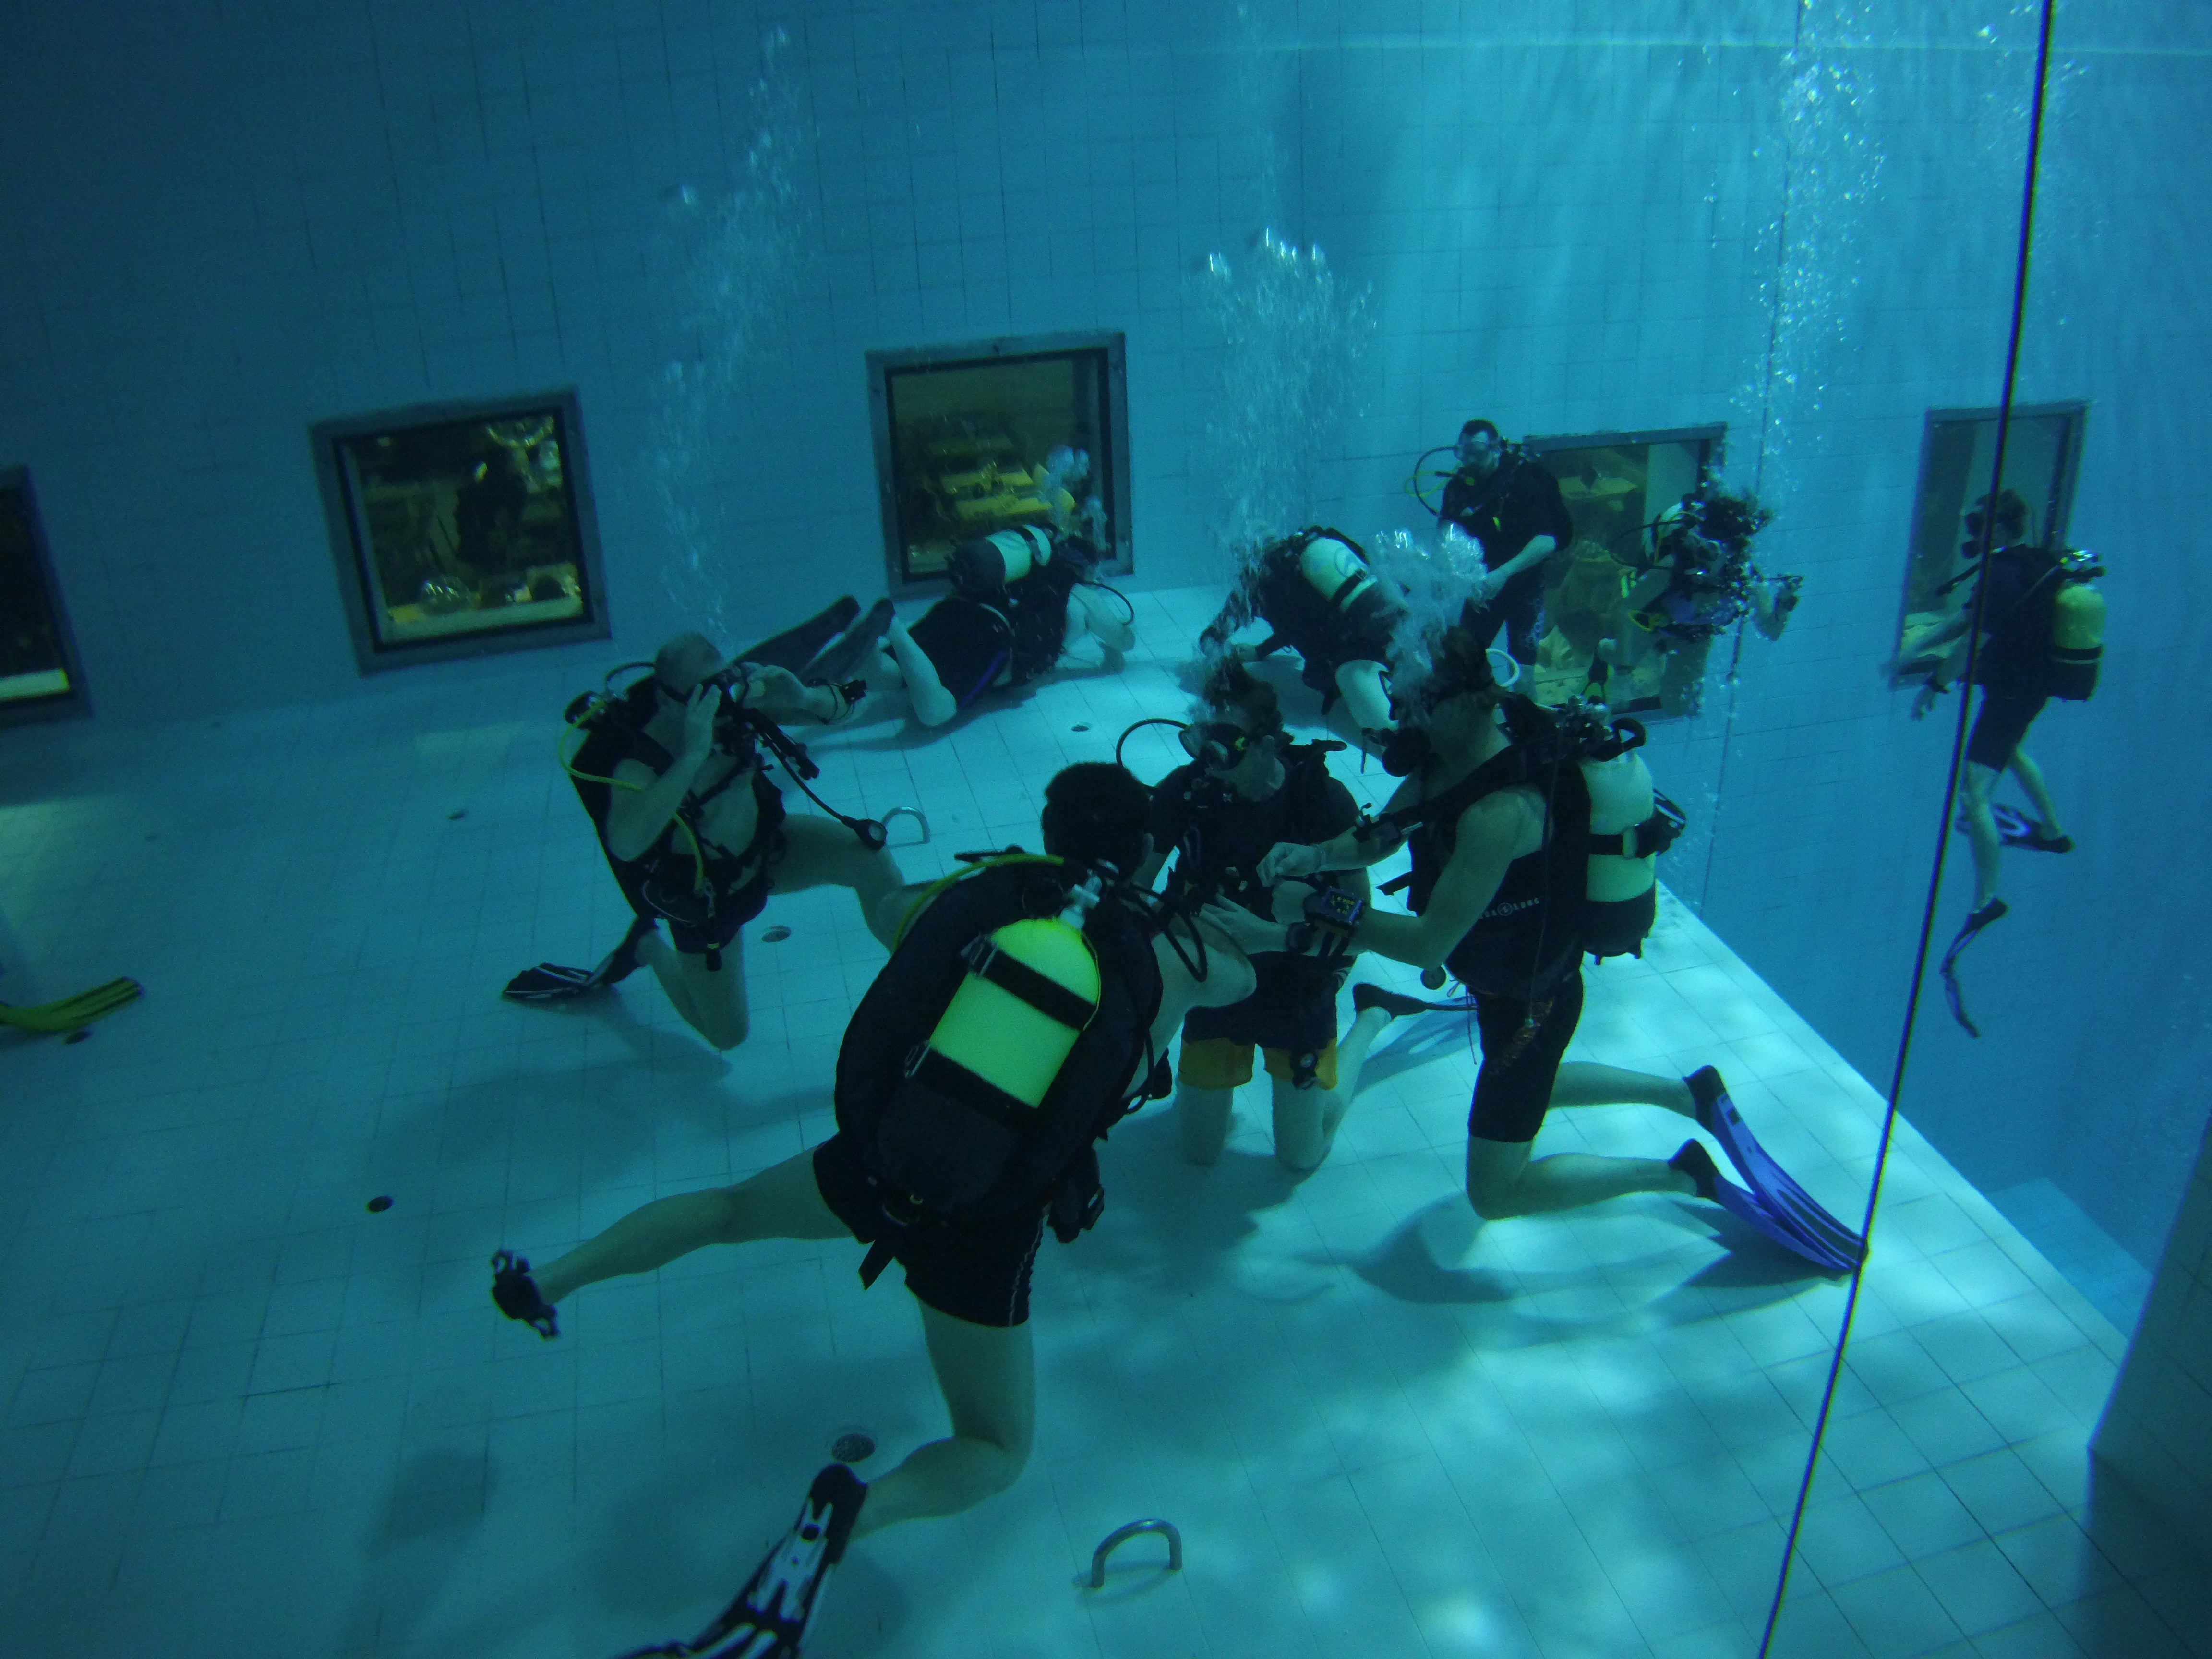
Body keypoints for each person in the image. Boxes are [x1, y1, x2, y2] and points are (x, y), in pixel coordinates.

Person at [488, 763, 1256, 1656]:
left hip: (879, 1161)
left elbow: (885, 910)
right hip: (984, 1227)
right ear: (1147, 846)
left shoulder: (970, 897)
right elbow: (1242, 976)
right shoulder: (1176, 959)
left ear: (1049, 831)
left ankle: (551, 1278)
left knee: (728, 1210)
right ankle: (855, 1512)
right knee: (994, 1449)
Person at [1237, 626, 1752, 1224]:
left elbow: (1427, 943)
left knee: (1495, 1193)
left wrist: (1317, 907)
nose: (1404, 721)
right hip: (1504, 985)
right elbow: (1385, 833)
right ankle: (1688, 1095)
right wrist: (1317, 856)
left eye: (1414, 705)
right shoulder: (1447, 760)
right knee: (1529, 1083)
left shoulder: (1499, 813)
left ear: (1463, 702)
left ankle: (1682, 1173)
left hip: (1533, 1002)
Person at [524, 631, 906, 1050]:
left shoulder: (736, 708)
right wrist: (692, 754)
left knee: (868, 856)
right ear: (667, 699)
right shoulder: (642, 761)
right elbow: (626, 843)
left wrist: (804, 697)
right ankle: (648, 947)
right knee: (727, 1036)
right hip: (707, 897)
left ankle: (916, 972)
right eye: (701, 694)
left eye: (721, 685)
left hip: (770, 849)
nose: (717, 704)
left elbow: (847, 709)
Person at [1134, 658, 1375, 1169]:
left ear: (1267, 745)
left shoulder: (1319, 801)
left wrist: (1281, 932)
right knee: (1198, 1153)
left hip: (1298, 989)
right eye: (1204, 744)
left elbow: (1361, 920)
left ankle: (1372, 1020)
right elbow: (1137, 890)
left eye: (1227, 746)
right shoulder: (1186, 792)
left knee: (1300, 1158)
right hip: (1214, 982)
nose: (1212, 765)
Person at [1899, 490, 2101, 930]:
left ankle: (1987, 900)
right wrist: (1913, 649)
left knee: (1974, 796)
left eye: (1980, 525)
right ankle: (2053, 831)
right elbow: (1965, 620)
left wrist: (1934, 685)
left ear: (2003, 528)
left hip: (2012, 693)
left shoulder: (2003, 574)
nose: (1972, 532)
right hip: (2028, 689)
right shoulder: (2035, 562)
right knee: (2011, 750)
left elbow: (1975, 639)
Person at [873, 525, 1136, 727]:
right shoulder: (1081, 594)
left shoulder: (1020, 568)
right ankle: (895, 629)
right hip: (991, 639)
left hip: (953, 609)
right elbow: (1123, 641)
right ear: (1087, 571)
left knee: (892, 671)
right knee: (935, 713)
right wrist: (1120, 642)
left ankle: (865, 645)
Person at [1197, 527, 1405, 747]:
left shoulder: (1256, 585)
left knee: (1390, 737)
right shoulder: (1310, 550)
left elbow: (1211, 638)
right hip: (1391, 624)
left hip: (1351, 658)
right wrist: (1260, 651)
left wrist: (1225, 669)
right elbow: (1295, 623)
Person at [1435, 420, 1574, 669]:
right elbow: (1446, 532)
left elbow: (1547, 540)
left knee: (1523, 668)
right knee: (1463, 663)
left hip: (1525, 588)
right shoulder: (1458, 487)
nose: (1470, 461)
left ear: (1496, 448)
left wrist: (1503, 573)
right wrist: (1460, 575)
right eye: (1463, 453)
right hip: (1482, 589)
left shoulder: (1523, 481)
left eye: (1478, 454)